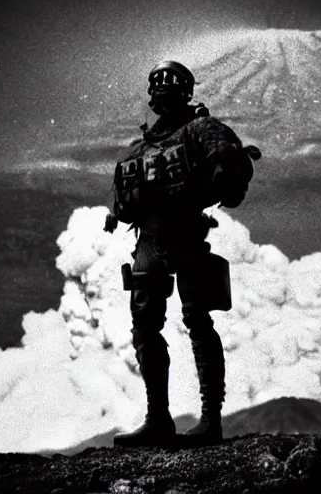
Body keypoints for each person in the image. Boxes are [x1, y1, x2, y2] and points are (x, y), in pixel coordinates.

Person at [104, 60, 261, 447]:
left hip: (186, 234)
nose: (161, 88)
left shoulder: (200, 129)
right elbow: (121, 203)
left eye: (169, 82)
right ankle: (158, 418)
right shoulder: (138, 148)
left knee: (197, 319)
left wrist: (224, 175)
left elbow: (228, 166)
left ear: (186, 91)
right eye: (156, 82)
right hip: (148, 242)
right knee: (144, 326)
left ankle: (210, 420)